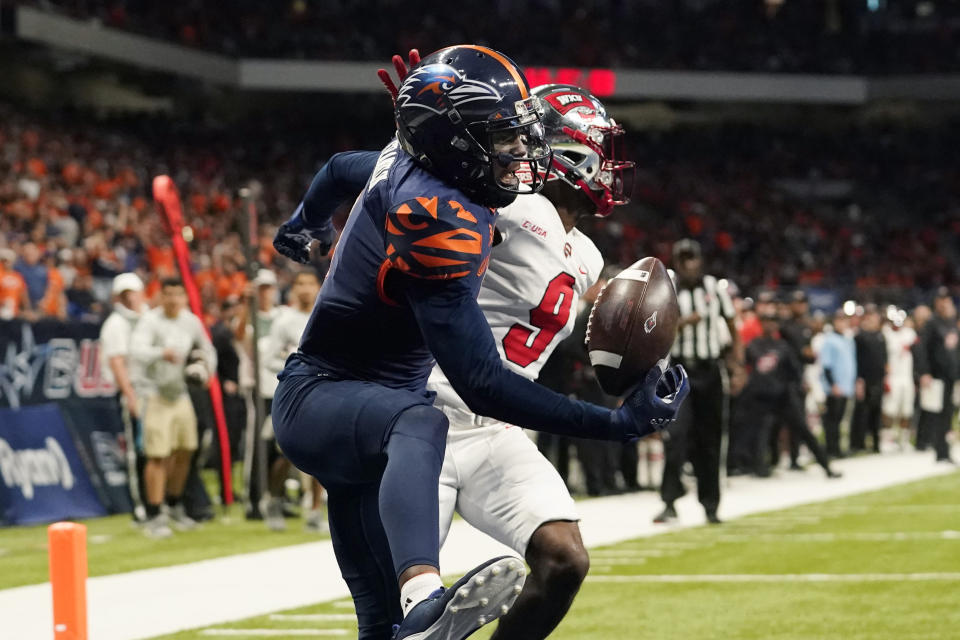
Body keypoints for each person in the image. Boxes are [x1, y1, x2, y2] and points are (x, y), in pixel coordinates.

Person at [271, 45, 688, 640]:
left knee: (565, 558)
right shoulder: (501, 201)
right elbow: (369, 173)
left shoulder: (588, 254)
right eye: (599, 152)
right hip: (424, 411)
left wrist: (640, 366)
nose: (610, 167)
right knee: (394, 621)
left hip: (495, 426)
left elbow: (545, 338)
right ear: (564, 154)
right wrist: (423, 149)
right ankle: (417, 604)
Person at [654, 238, 740, 525]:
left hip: (710, 369)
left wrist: (736, 365)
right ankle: (669, 500)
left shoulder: (715, 287)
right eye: (683, 259)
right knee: (675, 436)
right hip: (678, 372)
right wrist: (682, 323)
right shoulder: (666, 288)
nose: (690, 264)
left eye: (693, 258)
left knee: (711, 440)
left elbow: (731, 325)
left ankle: (711, 504)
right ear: (677, 263)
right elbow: (653, 329)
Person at [131, 278, 217, 538]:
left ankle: (174, 505)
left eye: (178, 294)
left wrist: (206, 370)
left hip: (180, 393)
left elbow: (207, 349)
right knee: (156, 455)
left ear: (184, 297)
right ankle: (155, 515)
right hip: (153, 393)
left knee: (185, 450)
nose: (173, 300)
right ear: (160, 296)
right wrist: (162, 353)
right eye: (168, 294)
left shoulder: (190, 321)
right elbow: (136, 350)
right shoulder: (150, 320)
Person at [258, 269, 324, 532]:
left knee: (322, 454)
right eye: (300, 284)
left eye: (310, 283)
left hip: (322, 395)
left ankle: (316, 510)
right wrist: (295, 366)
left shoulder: (328, 314)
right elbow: (268, 359)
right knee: (286, 454)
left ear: (318, 286)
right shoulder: (284, 321)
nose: (306, 288)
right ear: (294, 289)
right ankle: (273, 499)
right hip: (293, 396)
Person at [739, 312, 841, 478]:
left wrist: (795, 387)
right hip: (762, 397)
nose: (769, 325)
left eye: (772, 321)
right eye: (765, 321)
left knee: (804, 430)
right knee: (760, 433)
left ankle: (826, 465)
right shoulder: (753, 346)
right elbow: (744, 369)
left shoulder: (783, 346)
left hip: (783, 396)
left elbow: (795, 370)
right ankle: (759, 468)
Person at [99, 272, 148, 520]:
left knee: (157, 450)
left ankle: (155, 502)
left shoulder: (148, 317)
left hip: (154, 389)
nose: (131, 298)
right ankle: (140, 505)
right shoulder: (116, 324)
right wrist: (130, 395)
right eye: (126, 294)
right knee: (136, 450)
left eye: (134, 292)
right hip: (135, 390)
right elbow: (117, 362)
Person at [914, 288, 959, 464]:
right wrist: (924, 372)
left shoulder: (952, 322)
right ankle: (939, 450)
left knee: (947, 414)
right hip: (936, 376)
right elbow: (922, 350)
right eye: (941, 300)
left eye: (947, 299)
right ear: (936, 303)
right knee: (936, 414)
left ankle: (943, 450)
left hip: (950, 376)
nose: (944, 303)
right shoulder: (932, 323)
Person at [818, 311, 857, 458]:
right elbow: (826, 366)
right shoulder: (829, 340)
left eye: (844, 321)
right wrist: (833, 384)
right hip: (835, 387)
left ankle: (837, 448)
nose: (842, 324)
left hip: (846, 386)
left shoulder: (848, 340)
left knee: (840, 419)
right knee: (831, 420)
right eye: (839, 321)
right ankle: (831, 449)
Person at [851, 305, 887, 453]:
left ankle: (876, 443)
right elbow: (856, 359)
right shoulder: (859, 336)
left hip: (878, 379)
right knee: (861, 413)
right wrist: (858, 379)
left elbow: (884, 358)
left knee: (876, 412)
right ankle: (857, 444)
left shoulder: (880, 335)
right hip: (864, 379)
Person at [882, 308, 917, 450]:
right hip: (893, 377)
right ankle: (887, 441)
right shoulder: (886, 334)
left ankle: (903, 440)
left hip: (907, 377)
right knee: (889, 410)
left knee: (907, 410)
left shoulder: (909, 334)